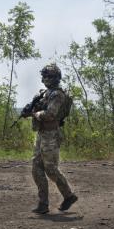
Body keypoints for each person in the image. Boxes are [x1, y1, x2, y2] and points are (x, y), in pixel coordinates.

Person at [22, 63, 77, 214]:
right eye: (45, 76)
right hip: (41, 134)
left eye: (50, 76)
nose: (47, 78)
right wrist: (30, 110)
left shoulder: (58, 94)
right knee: (36, 168)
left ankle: (68, 196)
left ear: (57, 78)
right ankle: (43, 204)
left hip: (51, 135)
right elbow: (39, 110)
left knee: (51, 169)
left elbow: (50, 114)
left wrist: (34, 114)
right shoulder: (44, 93)